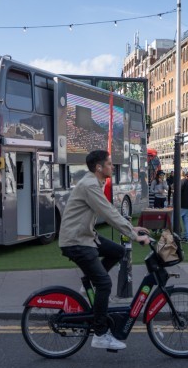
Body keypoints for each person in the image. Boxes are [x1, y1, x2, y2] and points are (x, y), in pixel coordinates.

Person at [59, 150, 150, 351]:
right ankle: (100, 335)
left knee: (117, 251)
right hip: (77, 241)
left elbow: (109, 210)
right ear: (99, 168)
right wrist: (135, 237)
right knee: (105, 283)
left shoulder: (94, 182)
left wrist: (131, 228)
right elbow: (108, 213)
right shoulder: (90, 185)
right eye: (109, 163)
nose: (112, 166)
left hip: (86, 235)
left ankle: (90, 283)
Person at [179, 170, 188, 242]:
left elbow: (178, 192)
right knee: (186, 220)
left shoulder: (182, 181)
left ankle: (177, 234)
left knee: (175, 219)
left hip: (182, 204)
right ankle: (187, 236)